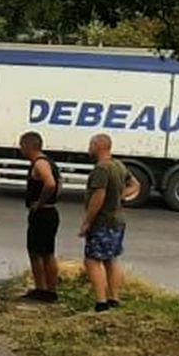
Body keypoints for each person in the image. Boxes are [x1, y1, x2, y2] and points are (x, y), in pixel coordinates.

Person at [79, 133, 130, 312]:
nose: (89, 148)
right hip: (118, 220)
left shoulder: (101, 169)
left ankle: (101, 302)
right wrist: (120, 198)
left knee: (92, 260)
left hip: (103, 221)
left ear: (97, 145)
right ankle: (114, 298)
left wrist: (87, 222)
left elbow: (98, 196)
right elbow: (135, 185)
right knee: (111, 259)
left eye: (90, 145)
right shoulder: (118, 165)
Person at [19, 131, 61, 303]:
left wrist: (40, 203)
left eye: (22, 146)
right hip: (49, 213)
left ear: (28, 146)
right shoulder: (51, 162)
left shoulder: (40, 164)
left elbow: (50, 183)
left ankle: (47, 290)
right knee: (39, 251)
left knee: (41, 253)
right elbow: (59, 184)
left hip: (43, 213)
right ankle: (43, 288)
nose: (20, 149)